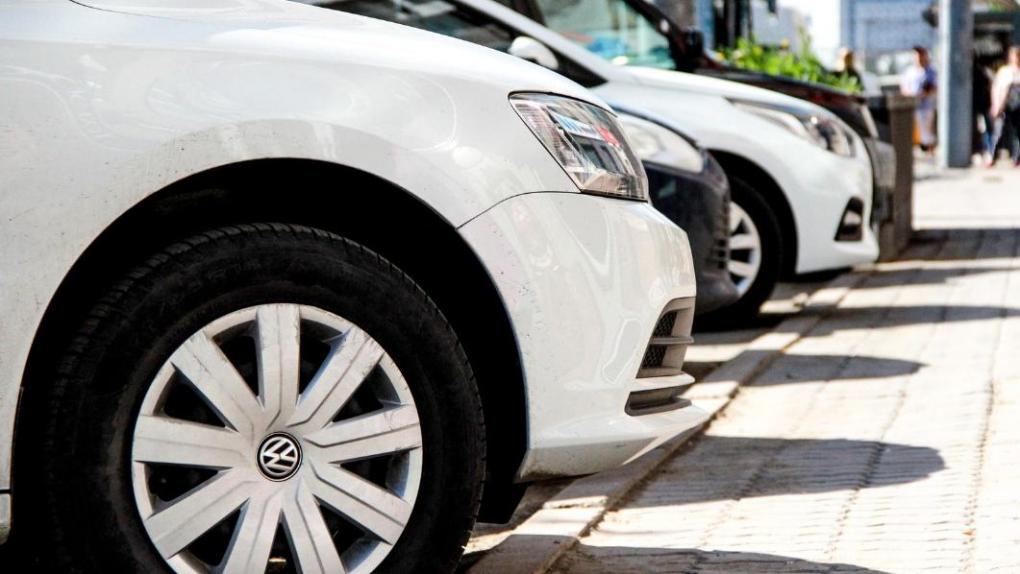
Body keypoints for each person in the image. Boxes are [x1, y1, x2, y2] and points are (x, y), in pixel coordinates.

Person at [900, 46, 938, 153]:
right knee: (912, 131)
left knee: (926, 131)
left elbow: (934, 87)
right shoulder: (910, 71)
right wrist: (910, 95)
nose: (919, 58)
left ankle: (929, 151)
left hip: (926, 106)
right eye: (917, 55)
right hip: (911, 106)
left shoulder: (931, 71)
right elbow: (904, 88)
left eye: (921, 55)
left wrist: (923, 94)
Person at [991, 46, 1020, 167]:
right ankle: (992, 156)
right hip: (1003, 105)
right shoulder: (1004, 71)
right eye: (1014, 55)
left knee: (1017, 133)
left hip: (1018, 107)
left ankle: (1016, 158)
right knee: (998, 131)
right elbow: (996, 88)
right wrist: (995, 104)